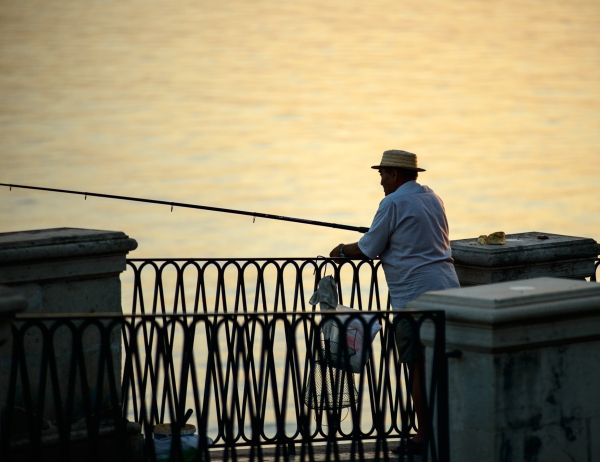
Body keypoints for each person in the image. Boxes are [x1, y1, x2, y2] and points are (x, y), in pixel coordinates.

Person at [329, 149, 460, 455]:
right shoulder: (433, 198)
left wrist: (341, 252)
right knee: (444, 364)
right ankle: (448, 428)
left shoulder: (393, 202)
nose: (381, 183)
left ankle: (423, 437)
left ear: (395, 175)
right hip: (450, 289)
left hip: (413, 299)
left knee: (417, 366)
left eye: (382, 176)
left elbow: (369, 247)